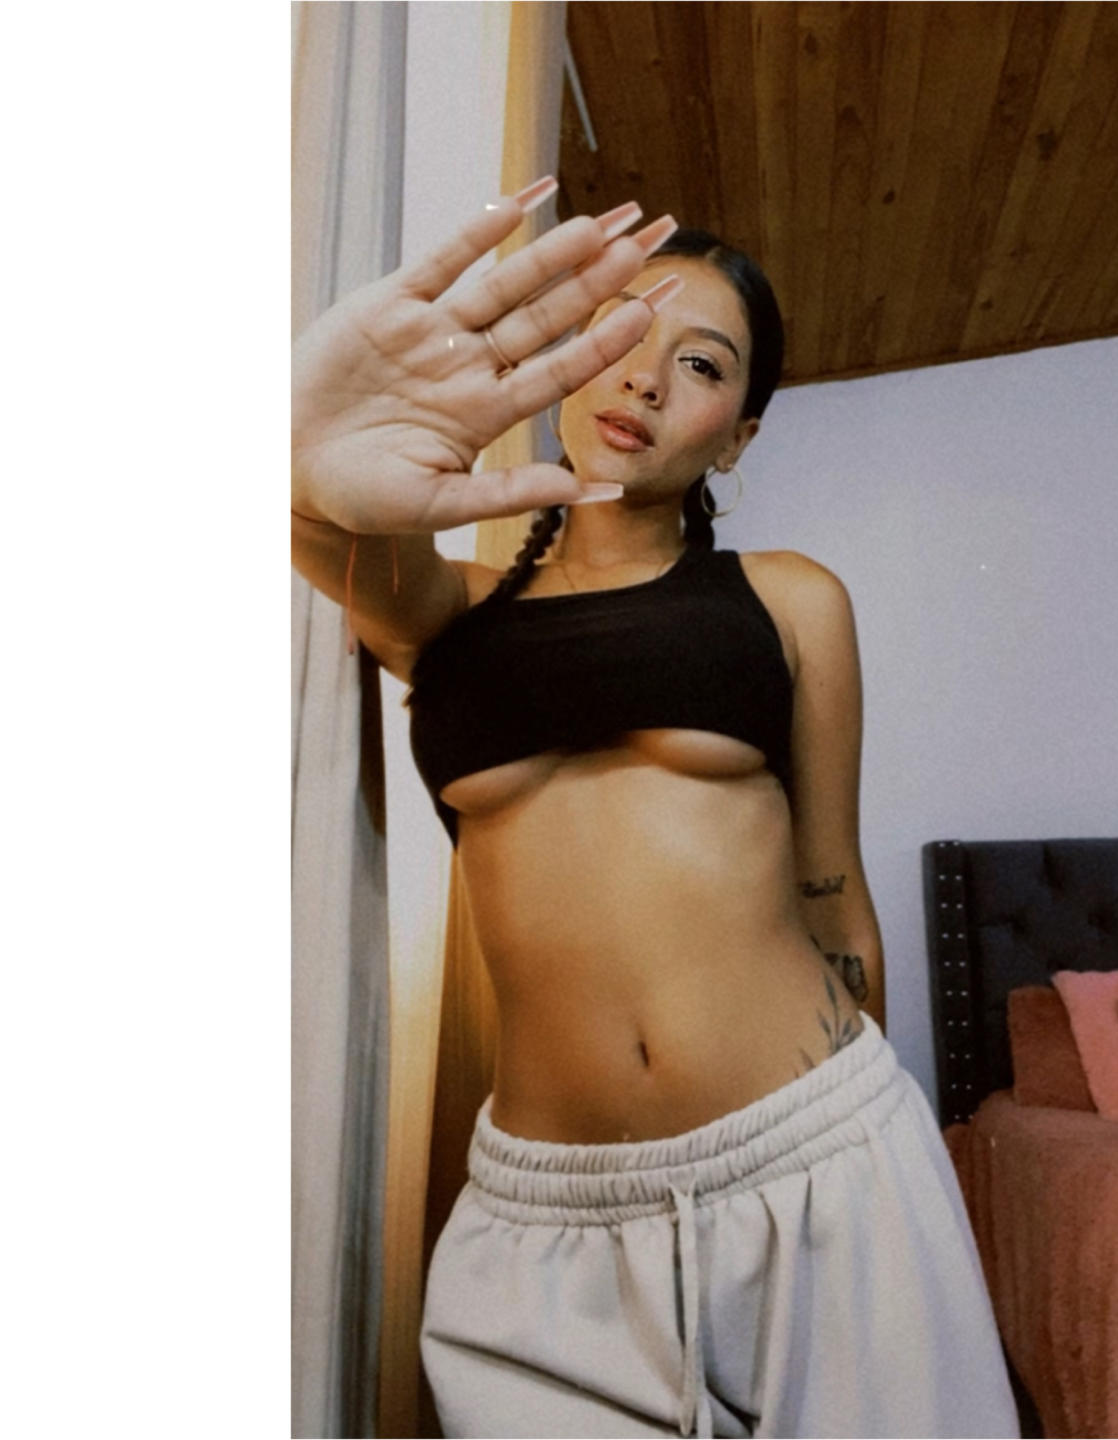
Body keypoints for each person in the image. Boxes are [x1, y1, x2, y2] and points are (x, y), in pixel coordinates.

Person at [292, 177, 1018, 1439]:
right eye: (622, 331)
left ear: (736, 437)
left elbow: (833, 891)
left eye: (701, 364)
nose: (643, 377)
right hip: (544, 1233)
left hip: (818, 1164)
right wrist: (306, 448)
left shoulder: (789, 600)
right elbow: (327, 523)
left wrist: (879, 1179)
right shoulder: (451, 613)